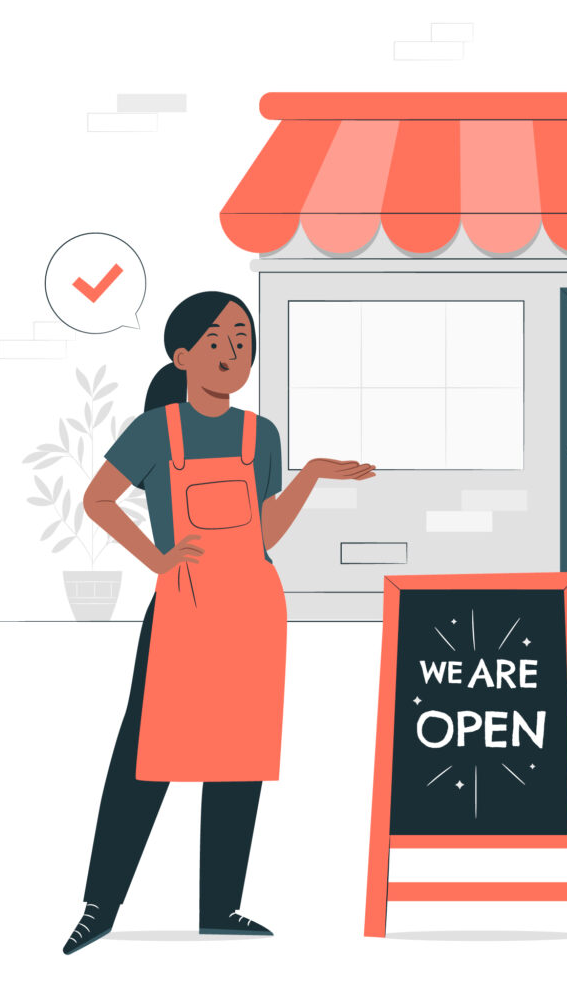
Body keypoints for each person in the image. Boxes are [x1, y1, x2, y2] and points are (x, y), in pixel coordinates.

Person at [63, 291, 375, 954]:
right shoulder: (157, 431)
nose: (234, 349)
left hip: (253, 610)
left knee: (239, 757)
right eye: (216, 338)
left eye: (243, 336)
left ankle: (220, 908)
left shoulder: (260, 434)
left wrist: (313, 474)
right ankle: (101, 905)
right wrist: (156, 557)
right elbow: (97, 498)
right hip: (185, 609)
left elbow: (263, 532)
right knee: (147, 758)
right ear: (181, 355)